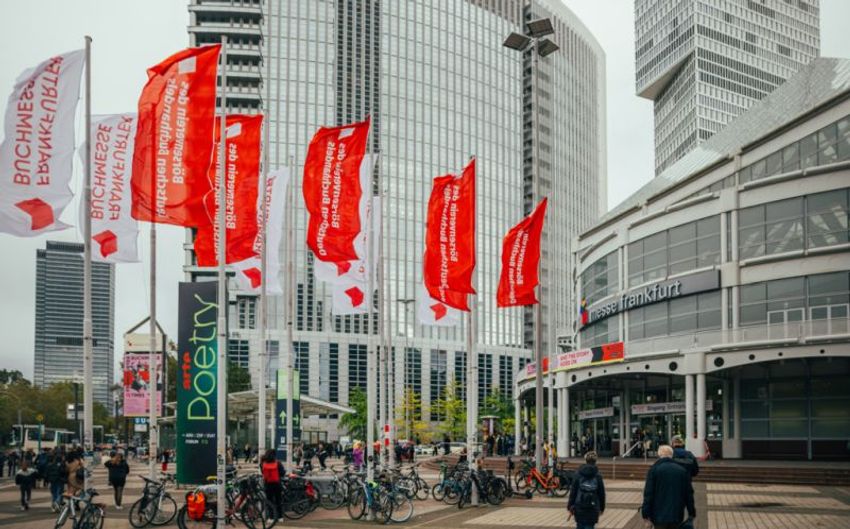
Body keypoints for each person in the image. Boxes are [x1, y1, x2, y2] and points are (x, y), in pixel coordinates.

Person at [640, 445, 695, 529]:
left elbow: (648, 494)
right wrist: (691, 512)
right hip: (677, 513)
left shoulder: (654, 470)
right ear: (672, 455)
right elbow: (688, 494)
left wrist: (645, 514)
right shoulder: (682, 470)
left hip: (658, 515)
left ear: (659, 455)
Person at [567, 451, 606, 529]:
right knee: (590, 526)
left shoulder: (578, 474)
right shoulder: (598, 475)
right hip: (592, 507)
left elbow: (573, 491)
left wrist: (570, 506)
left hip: (579, 506)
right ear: (595, 461)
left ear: (586, 460)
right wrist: (602, 508)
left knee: (580, 525)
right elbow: (601, 494)